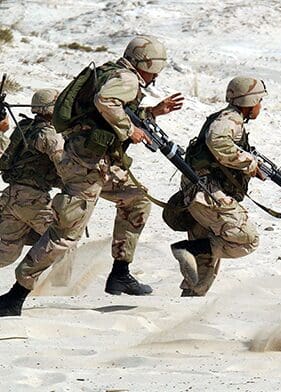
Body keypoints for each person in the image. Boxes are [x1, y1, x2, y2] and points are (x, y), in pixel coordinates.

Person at [0, 35, 184, 317]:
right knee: (64, 236)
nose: (157, 74)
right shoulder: (127, 78)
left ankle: (120, 272)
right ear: (146, 63)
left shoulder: (112, 72)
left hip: (99, 166)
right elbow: (106, 102)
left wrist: (151, 113)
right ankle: (15, 297)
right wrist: (130, 131)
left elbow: (109, 113)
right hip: (85, 168)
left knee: (137, 201)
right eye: (156, 68)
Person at [169, 76, 265, 297]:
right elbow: (218, 141)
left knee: (203, 267)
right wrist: (249, 163)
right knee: (247, 239)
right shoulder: (230, 119)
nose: (260, 106)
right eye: (259, 101)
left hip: (201, 195)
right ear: (249, 102)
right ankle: (185, 248)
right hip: (208, 196)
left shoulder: (226, 118)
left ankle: (186, 308)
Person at [0, 89, 63, 268]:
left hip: (10, 196)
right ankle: (61, 288)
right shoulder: (50, 135)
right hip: (33, 201)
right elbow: (65, 166)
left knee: (5, 255)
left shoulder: (24, 129)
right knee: (63, 240)